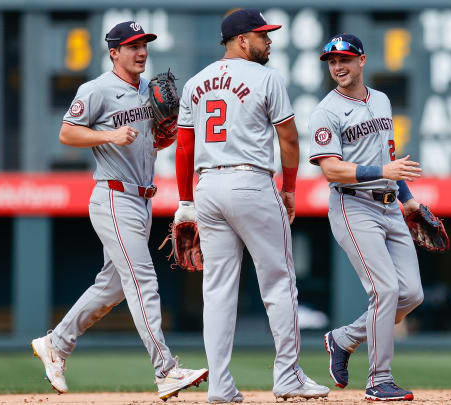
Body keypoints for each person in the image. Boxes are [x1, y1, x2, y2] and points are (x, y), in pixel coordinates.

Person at [30, 21, 207, 401]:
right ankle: (166, 371)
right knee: (143, 280)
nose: (141, 51)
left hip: (142, 199)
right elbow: (67, 132)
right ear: (114, 52)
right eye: (131, 46)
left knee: (111, 287)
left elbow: (151, 144)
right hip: (112, 196)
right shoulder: (96, 90)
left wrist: (163, 137)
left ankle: (56, 343)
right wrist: (108, 134)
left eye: (143, 45)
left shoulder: (149, 90)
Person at [174, 8, 329, 403]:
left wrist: (185, 202)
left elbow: (185, 148)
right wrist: (290, 187)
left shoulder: (195, 83)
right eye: (262, 35)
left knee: (218, 291)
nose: (269, 40)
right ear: (241, 40)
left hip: (207, 186)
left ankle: (219, 386)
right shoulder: (267, 78)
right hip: (250, 182)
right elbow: (290, 140)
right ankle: (289, 377)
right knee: (279, 282)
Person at [310, 34, 424, 401]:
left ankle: (343, 339)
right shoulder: (326, 111)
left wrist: (407, 200)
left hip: (391, 205)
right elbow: (331, 170)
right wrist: (385, 172)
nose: (338, 66)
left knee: (410, 295)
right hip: (353, 205)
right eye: (332, 61)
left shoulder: (382, 100)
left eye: (344, 58)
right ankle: (378, 380)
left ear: (362, 61)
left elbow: (389, 154)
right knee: (385, 290)